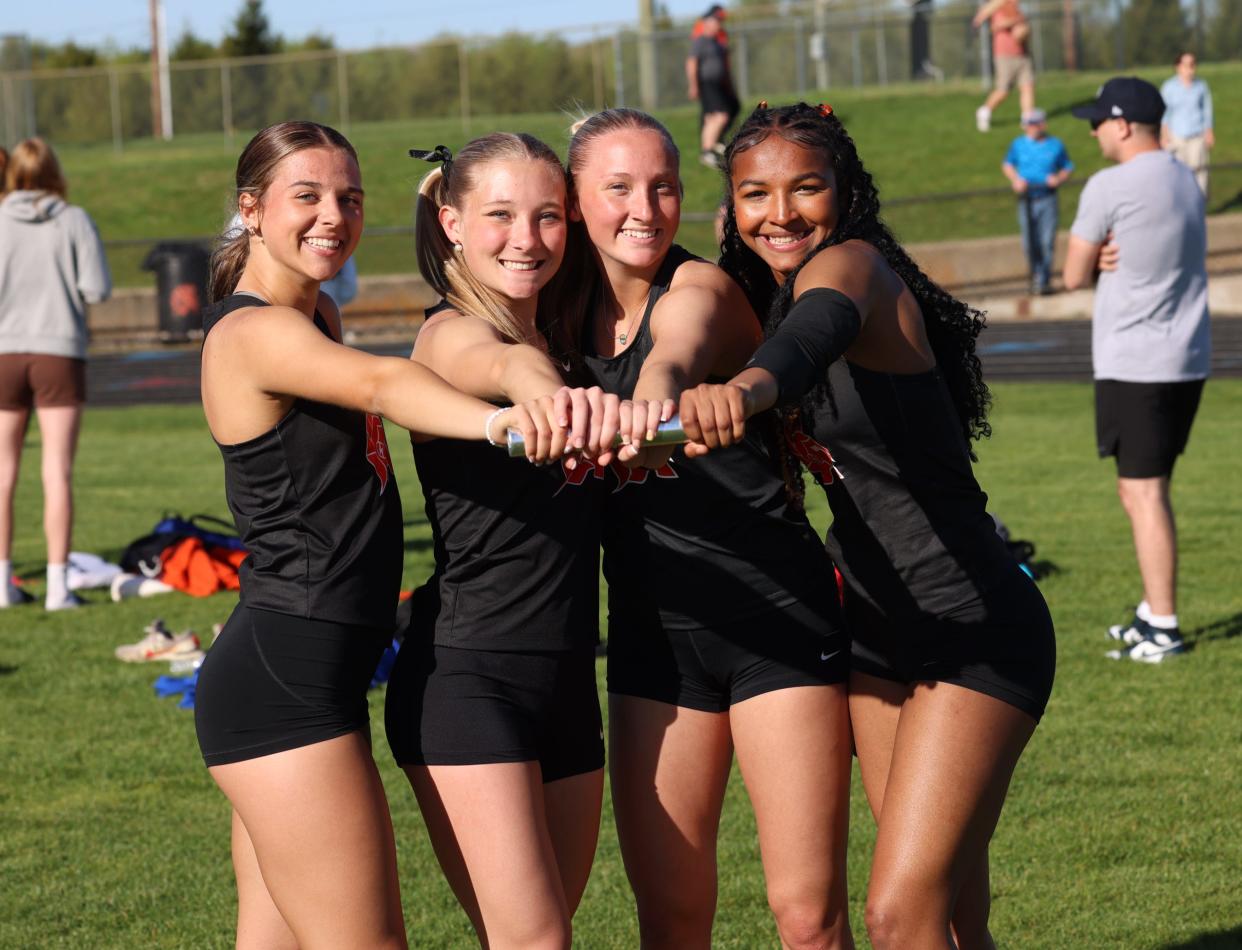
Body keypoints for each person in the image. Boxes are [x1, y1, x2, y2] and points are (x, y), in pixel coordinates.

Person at [680, 101, 1056, 949]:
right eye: (755, 194)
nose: (780, 213)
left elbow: (817, 333)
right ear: (732, 206)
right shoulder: (762, 298)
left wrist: (743, 393)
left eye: (806, 188)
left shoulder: (854, 268)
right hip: (877, 636)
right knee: (952, 918)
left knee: (897, 916)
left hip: (974, 627)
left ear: (844, 194)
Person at [193, 120, 571, 949]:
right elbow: (385, 381)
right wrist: (506, 425)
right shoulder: (250, 332)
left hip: (309, 670)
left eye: (349, 198)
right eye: (308, 196)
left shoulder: (319, 311)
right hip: (284, 685)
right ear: (251, 210)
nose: (333, 215)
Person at [569, 107, 854, 950]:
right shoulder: (550, 318)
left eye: (663, 188)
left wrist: (650, 396)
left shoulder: (706, 290)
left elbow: (678, 347)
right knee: (674, 919)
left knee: (807, 918)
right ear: (576, 199)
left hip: (777, 623)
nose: (644, 210)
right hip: (655, 642)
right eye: (617, 188)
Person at [384, 134, 626, 948]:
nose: (526, 237)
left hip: (565, 677)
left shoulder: (565, 339)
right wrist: (547, 395)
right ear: (451, 222)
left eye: (548, 216)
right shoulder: (448, 336)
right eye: (500, 216)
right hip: (465, 680)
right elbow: (499, 368)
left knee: (536, 933)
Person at [1064, 77, 1211, 663]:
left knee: (1142, 492)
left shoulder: (1109, 185)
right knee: (1151, 487)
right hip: (1187, 356)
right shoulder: (1184, 177)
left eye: (1099, 121)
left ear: (1123, 124)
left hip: (1137, 359)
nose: (1095, 130)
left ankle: (1165, 628)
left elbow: (1072, 273)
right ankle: (1152, 609)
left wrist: (1095, 258)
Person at [0, 137, 111, 611]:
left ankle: (2, 584)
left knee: (3, 473)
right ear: (55, 172)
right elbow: (97, 287)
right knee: (57, 472)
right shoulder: (74, 219)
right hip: (59, 353)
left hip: (3, 353)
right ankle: (59, 586)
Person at [1002, 108, 1073, 295]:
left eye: (1035, 123)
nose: (1032, 128)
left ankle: (1044, 279)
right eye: (1029, 124)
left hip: (1047, 197)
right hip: (1026, 199)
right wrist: (1016, 180)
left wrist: (1058, 179)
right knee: (1029, 241)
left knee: (1046, 240)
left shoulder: (1055, 145)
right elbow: (1008, 164)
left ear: (1043, 124)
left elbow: (1067, 167)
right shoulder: (1018, 145)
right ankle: (1035, 275)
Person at [686, 5, 740, 169]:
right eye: (716, 21)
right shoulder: (701, 41)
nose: (719, 24)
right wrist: (693, 85)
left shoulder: (717, 43)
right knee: (720, 116)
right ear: (707, 22)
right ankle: (707, 150)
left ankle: (713, 144)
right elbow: (691, 63)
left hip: (719, 84)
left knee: (721, 113)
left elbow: (725, 67)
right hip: (707, 83)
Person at [972, 0, 1035, 132]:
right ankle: (984, 111)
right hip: (1004, 54)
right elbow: (993, 25)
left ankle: (1028, 121)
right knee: (1003, 90)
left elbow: (1023, 29)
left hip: (1023, 53)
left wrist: (1023, 31)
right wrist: (1015, 21)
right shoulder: (996, 8)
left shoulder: (1017, 9)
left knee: (1027, 87)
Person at [1161, 52, 1214, 197]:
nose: (1191, 68)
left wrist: (1209, 132)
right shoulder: (1169, 87)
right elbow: (1165, 113)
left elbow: (1206, 110)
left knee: (1200, 173)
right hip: (1176, 136)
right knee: (1178, 174)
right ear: (1178, 67)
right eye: (1187, 64)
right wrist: (1164, 135)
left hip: (1197, 136)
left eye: (1193, 64)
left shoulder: (1201, 86)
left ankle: (1200, 205)